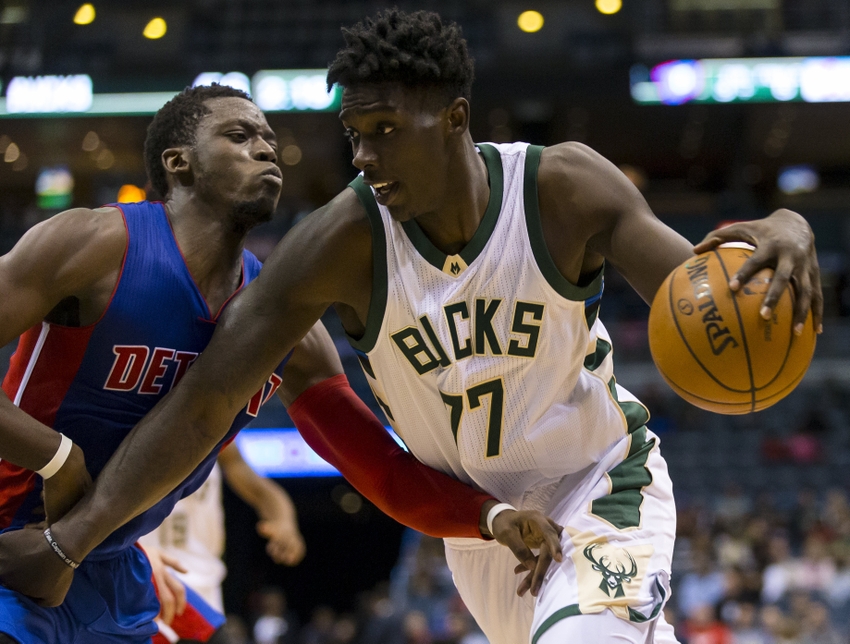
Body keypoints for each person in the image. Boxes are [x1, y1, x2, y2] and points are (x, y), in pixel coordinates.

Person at [0, 8, 823, 644]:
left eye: (386, 132)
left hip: (601, 483)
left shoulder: (563, 189)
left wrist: (780, 228)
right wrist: (70, 532)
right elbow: (206, 401)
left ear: (455, 118)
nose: (363, 157)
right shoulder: (330, 245)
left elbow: (700, 290)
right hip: (483, 527)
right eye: (355, 136)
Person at [0, 82, 559, 644]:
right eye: (239, 136)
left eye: (269, 139)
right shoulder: (96, 243)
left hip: (104, 566)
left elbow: (381, 468)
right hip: (11, 533)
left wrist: (488, 515)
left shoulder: (286, 323)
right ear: (178, 162)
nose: (266, 149)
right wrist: (57, 458)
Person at [140, 441, 306, 614]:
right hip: (146, 577)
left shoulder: (216, 434)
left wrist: (284, 521)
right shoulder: (132, 430)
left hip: (204, 581)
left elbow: (256, 487)